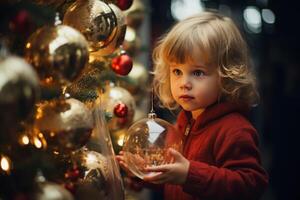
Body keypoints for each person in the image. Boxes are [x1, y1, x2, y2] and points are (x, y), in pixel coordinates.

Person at [117, 11, 268, 200]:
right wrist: (144, 173)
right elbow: (178, 182)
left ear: (227, 76)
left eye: (197, 73)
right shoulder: (185, 120)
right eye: (177, 71)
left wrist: (189, 174)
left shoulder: (234, 129)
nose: (184, 83)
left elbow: (250, 184)